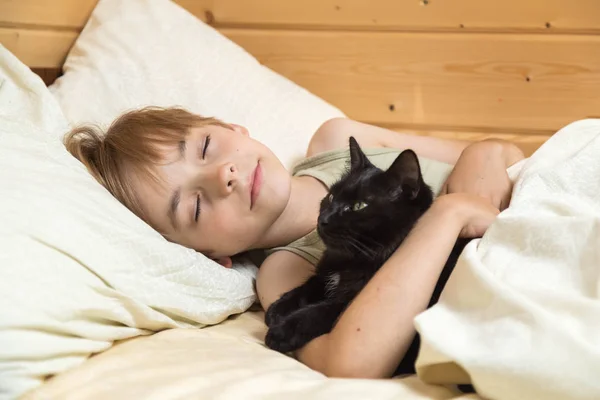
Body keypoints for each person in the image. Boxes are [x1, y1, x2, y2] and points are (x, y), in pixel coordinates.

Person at [64, 106, 524, 378]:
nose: (222, 175)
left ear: (232, 127)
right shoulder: (285, 270)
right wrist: (449, 213)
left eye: (205, 149)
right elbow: (351, 360)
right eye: (196, 206)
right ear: (207, 255)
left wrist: (483, 155)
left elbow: (507, 152)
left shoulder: (337, 139)